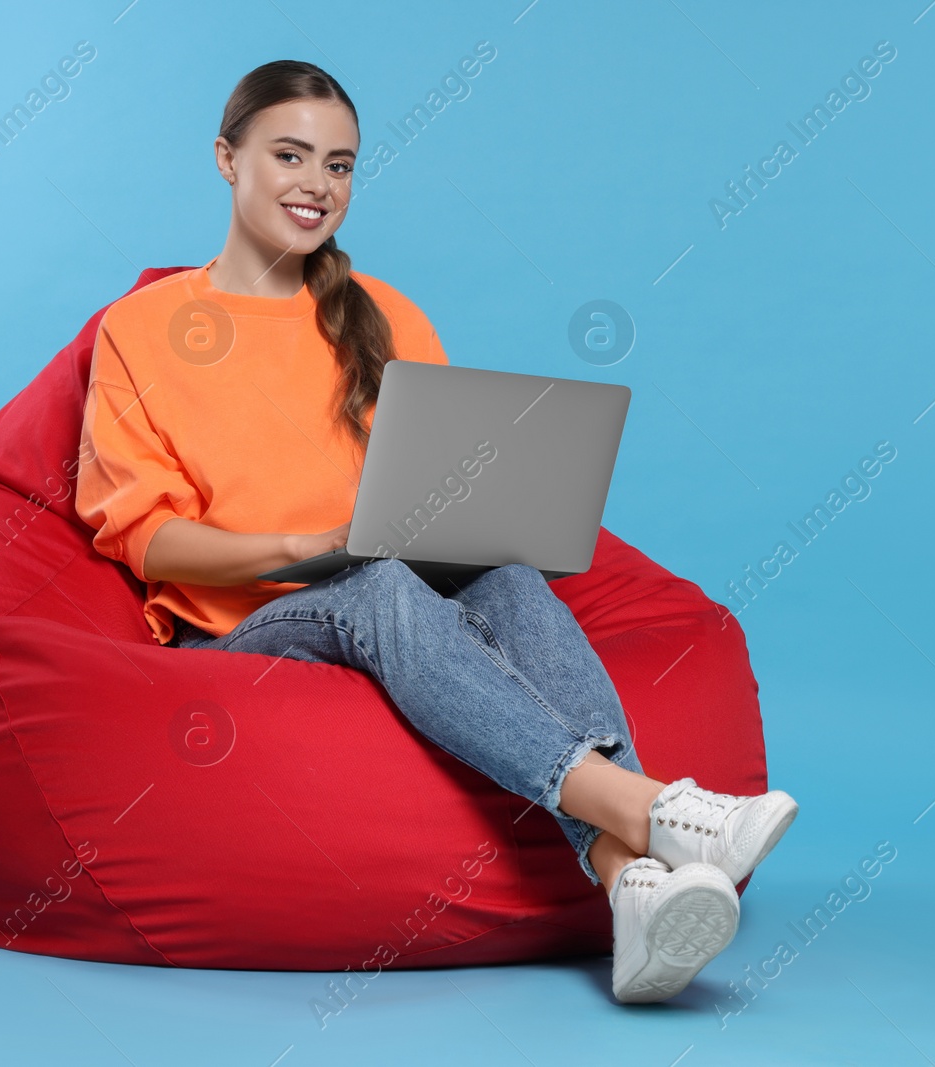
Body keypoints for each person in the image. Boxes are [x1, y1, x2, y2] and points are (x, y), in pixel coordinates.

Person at [73, 59, 798, 1004]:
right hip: (243, 627)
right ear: (226, 157)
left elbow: (437, 483)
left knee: (500, 573)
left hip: (391, 591)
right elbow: (145, 538)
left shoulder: (383, 313)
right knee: (371, 586)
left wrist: (467, 511)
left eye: (339, 166)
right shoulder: (140, 329)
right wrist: (294, 550)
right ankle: (655, 806)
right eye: (289, 156)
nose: (315, 186)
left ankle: (632, 886)